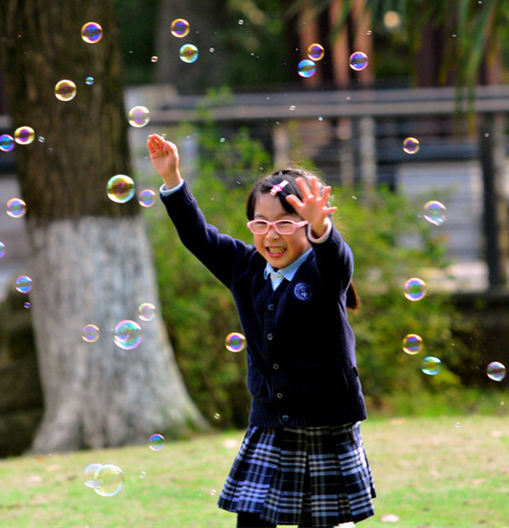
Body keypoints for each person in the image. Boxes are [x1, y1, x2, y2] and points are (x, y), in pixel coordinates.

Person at [148, 133, 375, 528]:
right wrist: (172, 180)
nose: (271, 234)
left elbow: (337, 259)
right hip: (270, 419)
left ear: (309, 225)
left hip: (326, 418)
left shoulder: (322, 273)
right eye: (260, 223)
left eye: (285, 223)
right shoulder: (245, 267)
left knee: (321, 523)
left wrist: (324, 231)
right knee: (251, 519)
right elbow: (199, 238)